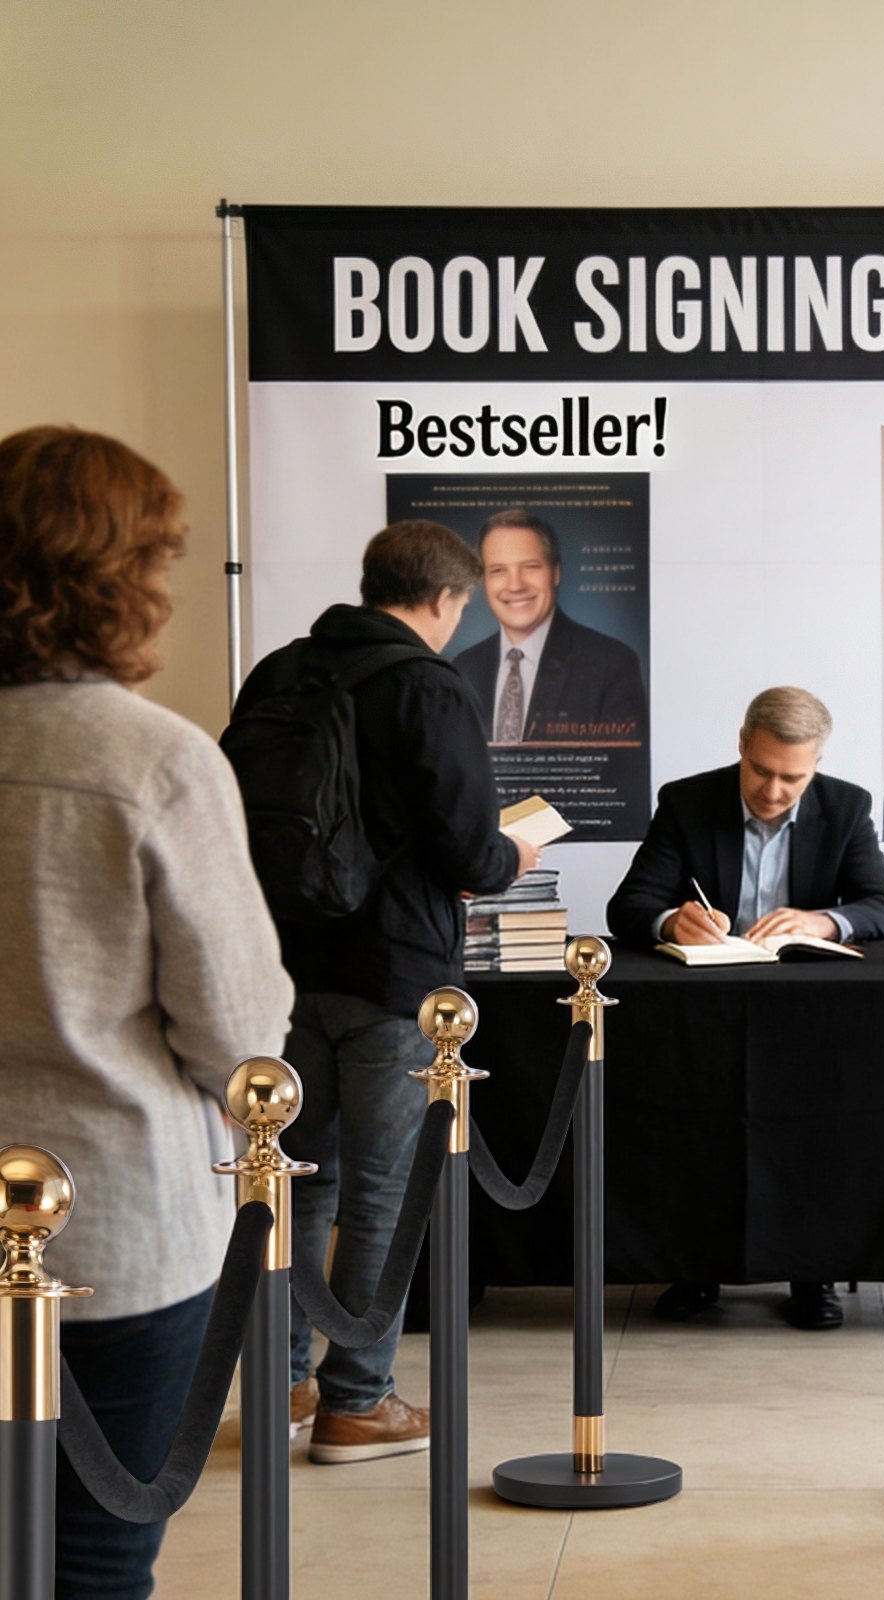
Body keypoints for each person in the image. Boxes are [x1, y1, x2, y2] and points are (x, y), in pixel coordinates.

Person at [0, 425, 294, 1599]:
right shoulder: (155, 761)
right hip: (114, 1233)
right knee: (97, 1555)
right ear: (115, 577)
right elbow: (236, 1034)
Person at [230, 520, 538, 1462]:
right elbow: (468, 850)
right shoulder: (427, 684)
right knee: (381, 1193)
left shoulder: (280, 671)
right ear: (449, 599)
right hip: (393, 973)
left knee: (295, 1183)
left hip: (282, 967)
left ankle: (282, 1389)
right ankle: (359, 1400)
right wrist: (515, 853)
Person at [605, 686, 884, 1329]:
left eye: (792, 777)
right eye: (762, 771)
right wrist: (669, 920)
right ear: (742, 746)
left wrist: (824, 921)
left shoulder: (846, 807)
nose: (773, 790)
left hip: (807, 1014)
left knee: (813, 1133)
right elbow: (628, 905)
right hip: (707, 1009)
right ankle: (695, 1269)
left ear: (816, 766)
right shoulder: (686, 801)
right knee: (697, 1131)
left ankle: (811, 1274)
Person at [453, 508, 648, 743]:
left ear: (556, 573)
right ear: (484, 581)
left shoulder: (611, 664)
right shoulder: (464, 669)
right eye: (498, 570)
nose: (515, 585)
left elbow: (624, 772)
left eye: (530, 567)